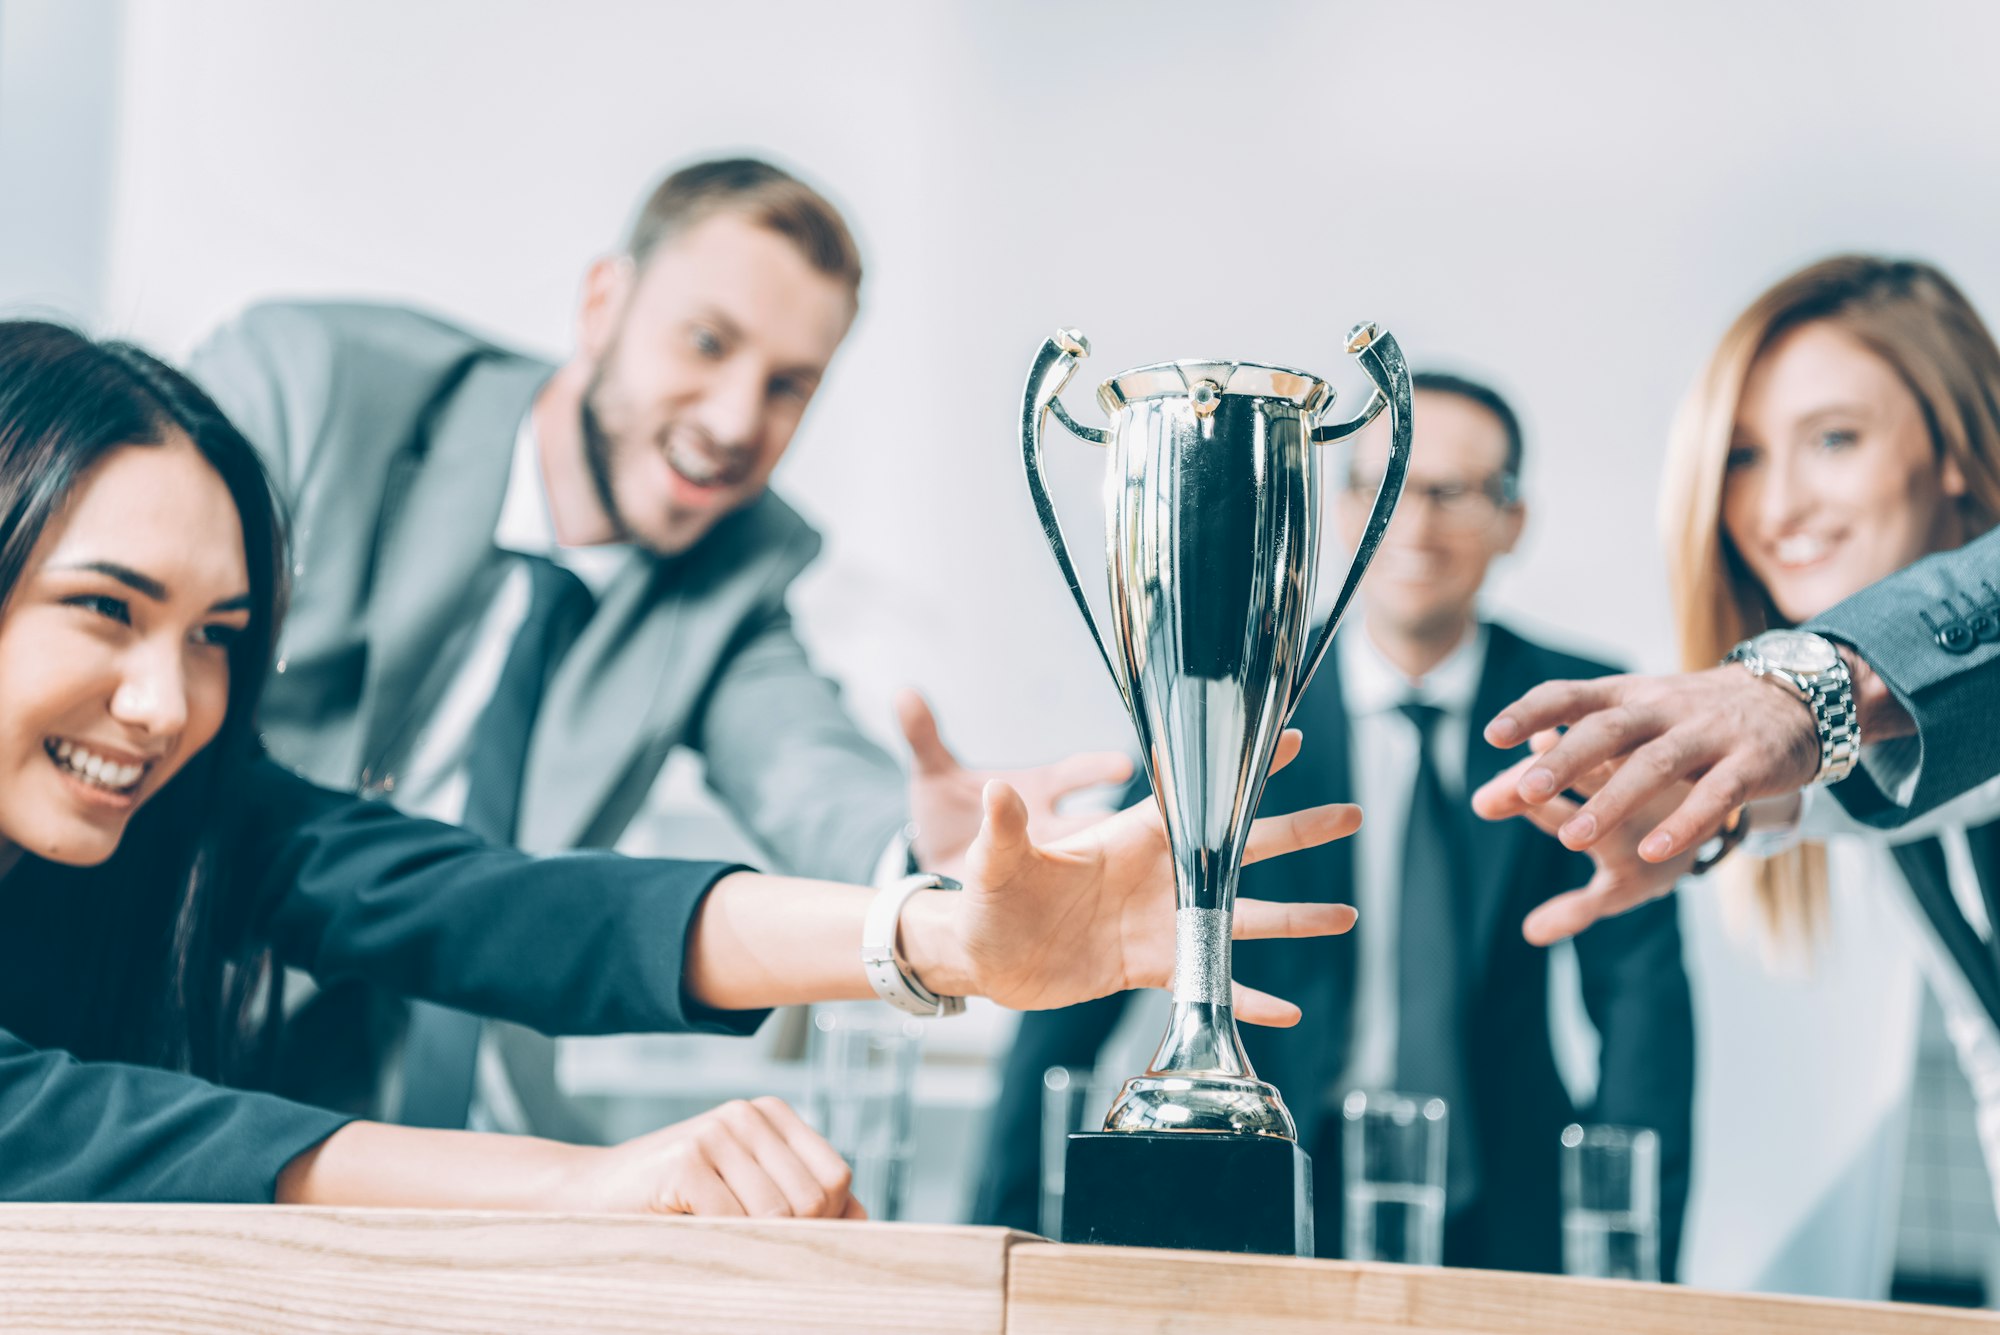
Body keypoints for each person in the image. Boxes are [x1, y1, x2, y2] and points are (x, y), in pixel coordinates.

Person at [0, 319, 1360, 1208]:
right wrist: (578, 1187)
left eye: (219, 635)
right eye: (106, 606)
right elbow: (67, 1122)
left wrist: (942, 935)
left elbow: (494, 903)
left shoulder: (192, 804)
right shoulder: (328, 374)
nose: (164, 698)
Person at [186, 158, 1129, 1131]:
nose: (732, 422)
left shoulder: (734, 571)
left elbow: (803, 764)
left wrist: (922, 847)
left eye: (785, 387)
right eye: (707, 342)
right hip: (166, 1037)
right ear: (603, 303)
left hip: (440, 1126)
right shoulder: (312, 390)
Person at [975, 374, 1695, 1275]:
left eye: (1456, 491)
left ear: (1514, 520)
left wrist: (1634, 1257)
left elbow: (1644, 1003)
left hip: (1507, 1204)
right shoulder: (1229, 700)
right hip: (1269, 1185)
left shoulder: (1577, 706)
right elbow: (1086, 959)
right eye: (1387, 487)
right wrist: (993, 1234)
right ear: (1339, 507)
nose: (1418, 525)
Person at [1482, 256, 2000, 1292]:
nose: (1775, 506)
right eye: (1743, 457)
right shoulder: (1907, 773)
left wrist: (1798, 689)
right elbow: (1853, 797)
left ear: (1952, 450)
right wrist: (1710, 819)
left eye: (1833, 439)